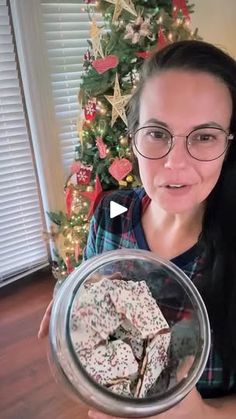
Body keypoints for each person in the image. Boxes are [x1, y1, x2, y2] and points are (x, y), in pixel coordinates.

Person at [39, 40, 236, 418]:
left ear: (229, 144)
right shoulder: (113, 210)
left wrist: (202, 414)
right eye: (157, 133)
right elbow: (93, 285)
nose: (175, 164)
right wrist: (74, 297)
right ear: (133, 137)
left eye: (205, 136)